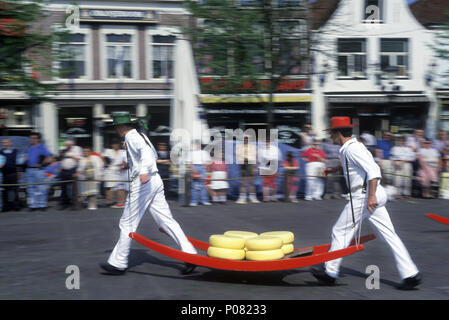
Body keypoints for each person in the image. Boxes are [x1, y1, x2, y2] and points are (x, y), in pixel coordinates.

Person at [312, 117, 421, 290]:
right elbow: (356, 166)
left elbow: (374, 170)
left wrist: (370, 196)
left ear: (338, 133)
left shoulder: (352, 149)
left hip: (364, 194)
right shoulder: (351, 148)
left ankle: (329, 272)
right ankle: (410, 274)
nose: (330, 137)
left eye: (331, 133)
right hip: (373, 193)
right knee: (389, 235)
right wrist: (333, 169)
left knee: (340, 231)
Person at [100, 111, 197, 275]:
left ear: (119, 126)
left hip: (143, 182)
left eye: (115, 126)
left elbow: (146, 154)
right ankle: (189, 254)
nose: (115, 129)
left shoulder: (132, 137)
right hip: (155, 180)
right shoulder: (140, 136)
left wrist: (143, 171)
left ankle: (119, 262)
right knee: (165, 221)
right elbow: (153, 154)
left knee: (127, 222)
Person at [25, 132, 53, 211]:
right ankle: (33, 205)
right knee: (31, 188)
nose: (32, 140)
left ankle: (42, 205)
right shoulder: (29, 148)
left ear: (38, 139)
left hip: (39, 170)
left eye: (34, 138)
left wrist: (42, 163)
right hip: (29, 169)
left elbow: (50, 157)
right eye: (31, 138)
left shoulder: (42, 147)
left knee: (41, 188)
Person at [58, 138, 82, 210]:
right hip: (63, 170)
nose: (68, 144)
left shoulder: (77, 149)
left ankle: (74, 204)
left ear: (73, 143)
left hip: (72, 170)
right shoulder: (63, 148)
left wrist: (78, 171)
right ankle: (64, 204)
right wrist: (66, 151)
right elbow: (59, 157)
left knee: (72, 188)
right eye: (67, 143)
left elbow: (79, 159)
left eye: (70, 143)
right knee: (63, 188)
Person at [77, 146, 104, 210]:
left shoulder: (96, 158)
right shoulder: (82, 160)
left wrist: (101, 175)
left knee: (93, 193)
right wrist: (78, 173)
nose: (85, 152)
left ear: (90, 152)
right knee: (87, 193)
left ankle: (93, 206)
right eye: (84, 151)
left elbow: (100, 167)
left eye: (87, 151)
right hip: (85, 179)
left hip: (94, 178)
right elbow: (80, 169)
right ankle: (87, 204)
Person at [235, 135, 260, 204]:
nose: (246, 139)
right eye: (244, 138)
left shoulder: (254, 147)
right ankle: (242, 198)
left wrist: (255, 167)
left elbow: (256, 158)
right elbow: (237, 157)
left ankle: (253, 198)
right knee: (243, 182)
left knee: (252, 182)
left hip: (251, 164)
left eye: (247, 138)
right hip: (243, 165)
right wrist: (242, 161)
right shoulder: (238, 147)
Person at [103, 139, 127, 208]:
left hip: (119, 170)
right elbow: (103, 157)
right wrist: (106, 164)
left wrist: (123, 165)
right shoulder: (108, 151)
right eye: (114, 144)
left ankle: (121, 202)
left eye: (116, 144)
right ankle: (109, 202)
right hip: (110, 170)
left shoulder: (122, 151)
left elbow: (124, 160)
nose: (115, 145)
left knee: (120, 187)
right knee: (109, 187)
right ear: (111, 145)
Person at [187, 140, 212, 206]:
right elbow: (189, 163)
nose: (196, 145)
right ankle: (194, 201)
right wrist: (193, 170)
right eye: (195, 144)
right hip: (194, 167)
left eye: (198, 144)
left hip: (202, 167)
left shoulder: (204, 152)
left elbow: (209, 161)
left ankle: (204, 200)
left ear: (200, 145)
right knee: (194, 186)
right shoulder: (190, 153)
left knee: (203, 185)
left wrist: (205, 166)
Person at [258, 138, 281, 202]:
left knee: (273, 183)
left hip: (273, 167)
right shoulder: (261, 149)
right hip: (265, 168)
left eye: (268, 141)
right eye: (265, 141)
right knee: (265, 183)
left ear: (270, 142)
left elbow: (277, 158)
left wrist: (268, 159)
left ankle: (274, 197)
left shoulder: (275, 149)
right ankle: (266, 198)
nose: (266, 143)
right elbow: (260, 159)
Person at [0, 138, 20, 212]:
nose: (4, 144)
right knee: (4, 191)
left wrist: (19, 172)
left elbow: (18, 162)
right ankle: (6, 206)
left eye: (6, 142)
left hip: (13, 173)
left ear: (10, 143)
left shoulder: (15, 151)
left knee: (15, 190)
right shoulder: (1, 152)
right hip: (4, 174)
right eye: (3, 143)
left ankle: (16, 206)